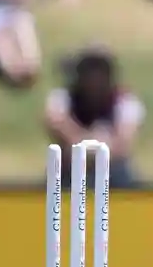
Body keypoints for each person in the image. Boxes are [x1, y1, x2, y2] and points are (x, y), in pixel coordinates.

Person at [44, 47, 143, 188]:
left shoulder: (126, 102)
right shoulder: (61, 98)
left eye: (99, 70)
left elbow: (122, 145)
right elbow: (60, 128)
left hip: (113, 175)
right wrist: (99, 143)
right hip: (70, 175)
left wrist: (86, 144)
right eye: (88, 69)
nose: (94, 77)